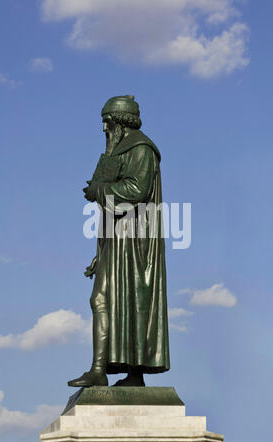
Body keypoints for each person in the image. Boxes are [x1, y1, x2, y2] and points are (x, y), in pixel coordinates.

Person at [68, 96, 170, 388]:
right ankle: (128, 374)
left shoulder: (142, 149)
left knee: (108, 300)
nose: (104, 128)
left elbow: (136, 190)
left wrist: (99, 189)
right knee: (114, 302)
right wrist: (101, 253)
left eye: (107, 121)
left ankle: (101, 370)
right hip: (118, 241)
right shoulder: (123, 150)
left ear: (121, 122)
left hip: (135, 245)